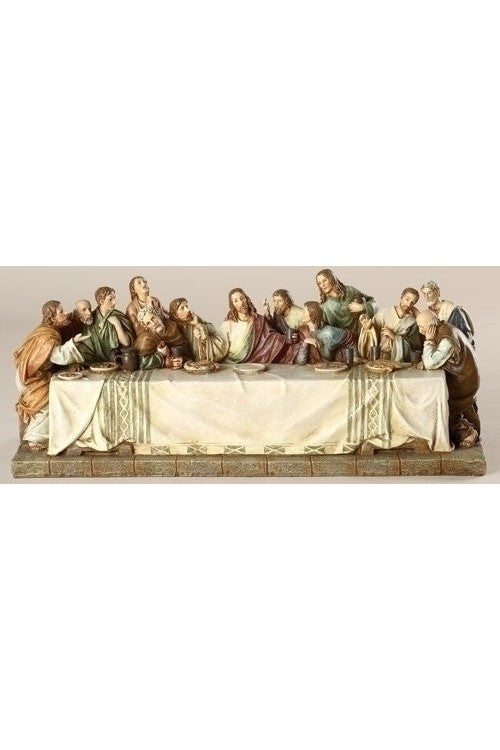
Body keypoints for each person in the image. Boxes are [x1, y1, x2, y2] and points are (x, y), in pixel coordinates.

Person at [14, 300, 89, 451]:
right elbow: (58, 356)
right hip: (33, 378)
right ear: (52, 317)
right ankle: (34, 439)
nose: (64, 313)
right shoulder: (47, 336)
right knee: (45, 405)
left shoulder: (48, 330)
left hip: (34, 373)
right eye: (61, 312)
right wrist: (73, 342)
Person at [415, 309, 480, 448]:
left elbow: (431, 363)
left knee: (433, 401)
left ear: (432, 325)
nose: (420, 330)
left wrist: (429, 341)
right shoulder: (442, 328)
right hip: (457, 376)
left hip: (462, 383)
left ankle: (468, 432)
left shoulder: (447, 339)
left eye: (421, 326)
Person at [220, 288, 309, 364]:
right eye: (236, 301)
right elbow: (220, 347)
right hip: (233, 363)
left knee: (296, 346)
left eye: (242, 298)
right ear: (232, 305)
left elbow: (272, 336)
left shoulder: (258, 320)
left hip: (259, 358)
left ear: (246, 299)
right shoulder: (228, 325)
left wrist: (288, 338)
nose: (241, 303)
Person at [358, 288, 422, 361]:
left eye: (413, 302)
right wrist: (368, 329)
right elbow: (372, 335)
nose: (408, 304)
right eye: (407, 299)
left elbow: (414, 346)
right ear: (401, 297)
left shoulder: (412, 322)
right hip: (378, 357)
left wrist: (394, 337)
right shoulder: (384, 313)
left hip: (397, 360)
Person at [77, 286, 134, 363]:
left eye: (114, 298)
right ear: (101, 301)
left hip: (118, 359)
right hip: (97, 362)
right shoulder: (91, 319)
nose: (114, 302)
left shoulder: (119, 316)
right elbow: (86, 346)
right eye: (110, 299)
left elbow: (126, 343)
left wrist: (117, 324)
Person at [316, 269, 377, 336]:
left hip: (364, 329)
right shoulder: (325, 307)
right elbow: (325, 328)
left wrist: (363, 307)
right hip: (346, 338)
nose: (322, 285)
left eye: (324, 280)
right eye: (319, 283)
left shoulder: (349, 290)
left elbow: (372, 302)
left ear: (332, 279)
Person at [169, 298, 226, 362]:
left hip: (205, 353)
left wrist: (198, 325)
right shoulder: (173, 328)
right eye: (182, 308)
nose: (188, 310)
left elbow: (212, 329)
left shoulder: (194, 318)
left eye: (187, 307)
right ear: (176, 315)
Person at [421, 280, 475, 347]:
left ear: (438, 292)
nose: (427, 297)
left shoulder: (455, 311)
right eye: (424, 294)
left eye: (429, 293)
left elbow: (467, 339)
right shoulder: (429, 313)